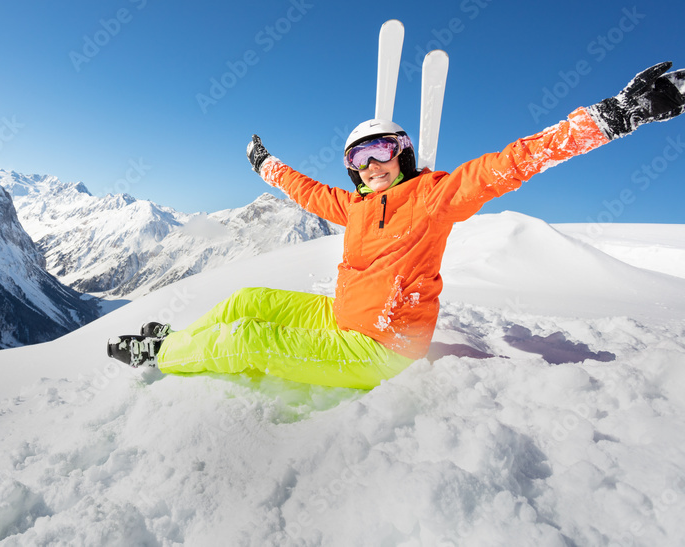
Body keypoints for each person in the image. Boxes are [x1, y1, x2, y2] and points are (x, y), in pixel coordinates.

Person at [107, 62, 685, 389]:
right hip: (343, 321)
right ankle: (175, 340)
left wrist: (611, 117)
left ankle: (162, 356)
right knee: (247, 299)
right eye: (357, 159)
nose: (369, 167)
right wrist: (265, 166)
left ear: (402, 153)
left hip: (381, 347)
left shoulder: (434, 197)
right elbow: (305, 190)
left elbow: (511, 163)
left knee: (245, 338)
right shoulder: (356, 206)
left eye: (380, 151)